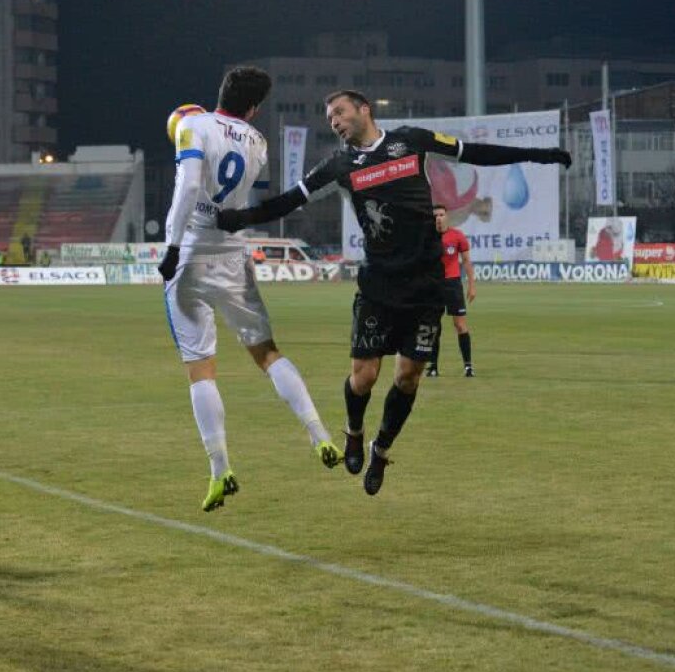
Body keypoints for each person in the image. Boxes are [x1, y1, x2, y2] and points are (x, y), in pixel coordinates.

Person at [218, 89, 570, 495]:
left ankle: (380, 449)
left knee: (408, 377)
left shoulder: (412, 141)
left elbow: (476, 152)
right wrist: (238, 219)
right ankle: (353, 430)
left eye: (339, 112)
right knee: (364, 377)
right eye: (329, 117)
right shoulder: (340, 165)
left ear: (364, 109)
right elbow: (285, 202)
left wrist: (540, 156)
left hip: (425, 285)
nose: (333, 121)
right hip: (379, 286)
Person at [157, 67, 344, 512]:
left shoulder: (192, 125)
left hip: (191, 254)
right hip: (234, 255)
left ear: (220, 91)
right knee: (267, 352)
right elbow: (240, 198)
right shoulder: (257, 142)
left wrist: (172, 245)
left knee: (201, 368)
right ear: (255, 108)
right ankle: (319, 434)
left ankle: (220, 469)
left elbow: (187, 187)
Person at [425, 208, 475, 378]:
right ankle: (433, 367)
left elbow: (467, 261)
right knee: (433, 326)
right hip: (433, 285)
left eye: (441, 215)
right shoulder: (427, 237)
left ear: (447, 217)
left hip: (452, 284)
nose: (438, 218)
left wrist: (471, 286)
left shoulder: (457, 235)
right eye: (435, 216)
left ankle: (468, 367)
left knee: (460, 325)